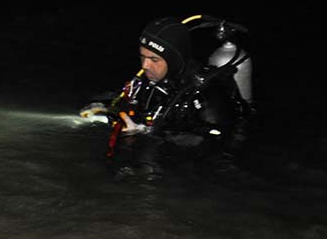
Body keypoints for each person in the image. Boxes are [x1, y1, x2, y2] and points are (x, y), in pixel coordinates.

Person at [80, 15, 253, 181]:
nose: (145, 65)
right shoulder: (150, 79)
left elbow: (214, 146)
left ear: (173, 59)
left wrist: (144, 133)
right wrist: (103, 106)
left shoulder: (208, 92)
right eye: (142, 57)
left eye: (154, 59)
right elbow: (123, 97)